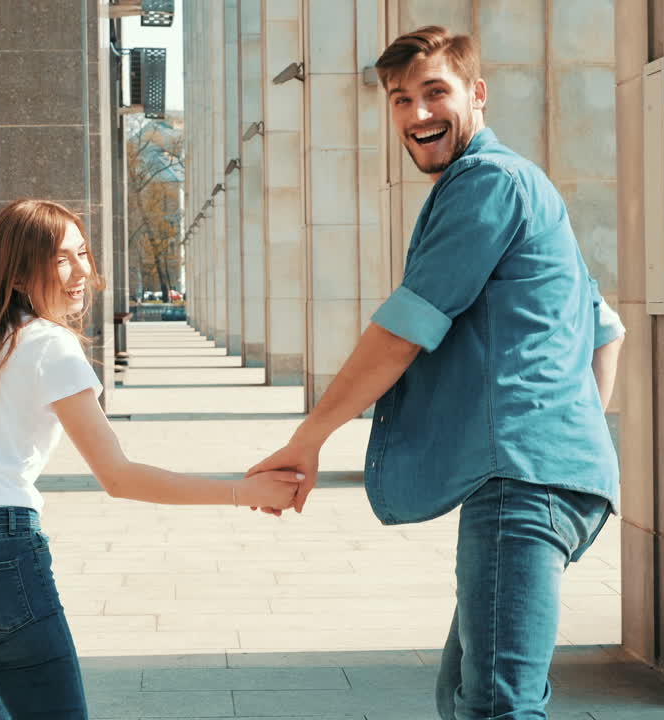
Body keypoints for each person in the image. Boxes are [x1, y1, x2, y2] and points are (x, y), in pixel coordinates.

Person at [247, 26, 626, 720]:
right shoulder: (526, 184)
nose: (417, 113)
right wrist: (572, 437)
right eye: (400, 99)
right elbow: (608, 333)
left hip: (523, 483)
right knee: (465, 698)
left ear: (476, 94)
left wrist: (309, 438)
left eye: (434, 93)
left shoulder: (487, 184)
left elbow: (405, 330)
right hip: (552, 477)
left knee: (496, 706)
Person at [0, 199, 302, 720]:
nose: (82, 270)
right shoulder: (49, 345)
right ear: (17, 274)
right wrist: (244, 492)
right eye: (61, 259)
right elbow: (119, 476)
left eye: (82, 252)